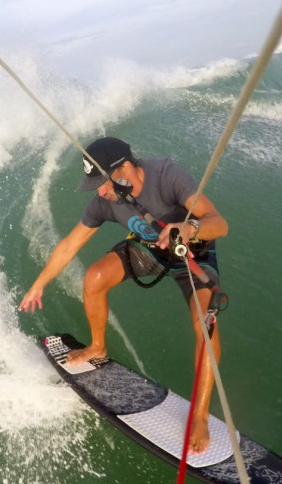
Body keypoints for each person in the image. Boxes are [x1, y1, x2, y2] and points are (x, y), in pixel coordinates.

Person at [19, 136, 228, 454]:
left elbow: (219, 223)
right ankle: (97, 346)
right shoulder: (104, 201)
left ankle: (200, 416)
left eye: (101, 183)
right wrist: (39, 283)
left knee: (205, 324)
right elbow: (69, 245)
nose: (99, 192)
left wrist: (190, 229)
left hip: (192, 255)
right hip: (150, 249)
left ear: (124, 169)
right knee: (94, 277)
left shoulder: (167, 175)